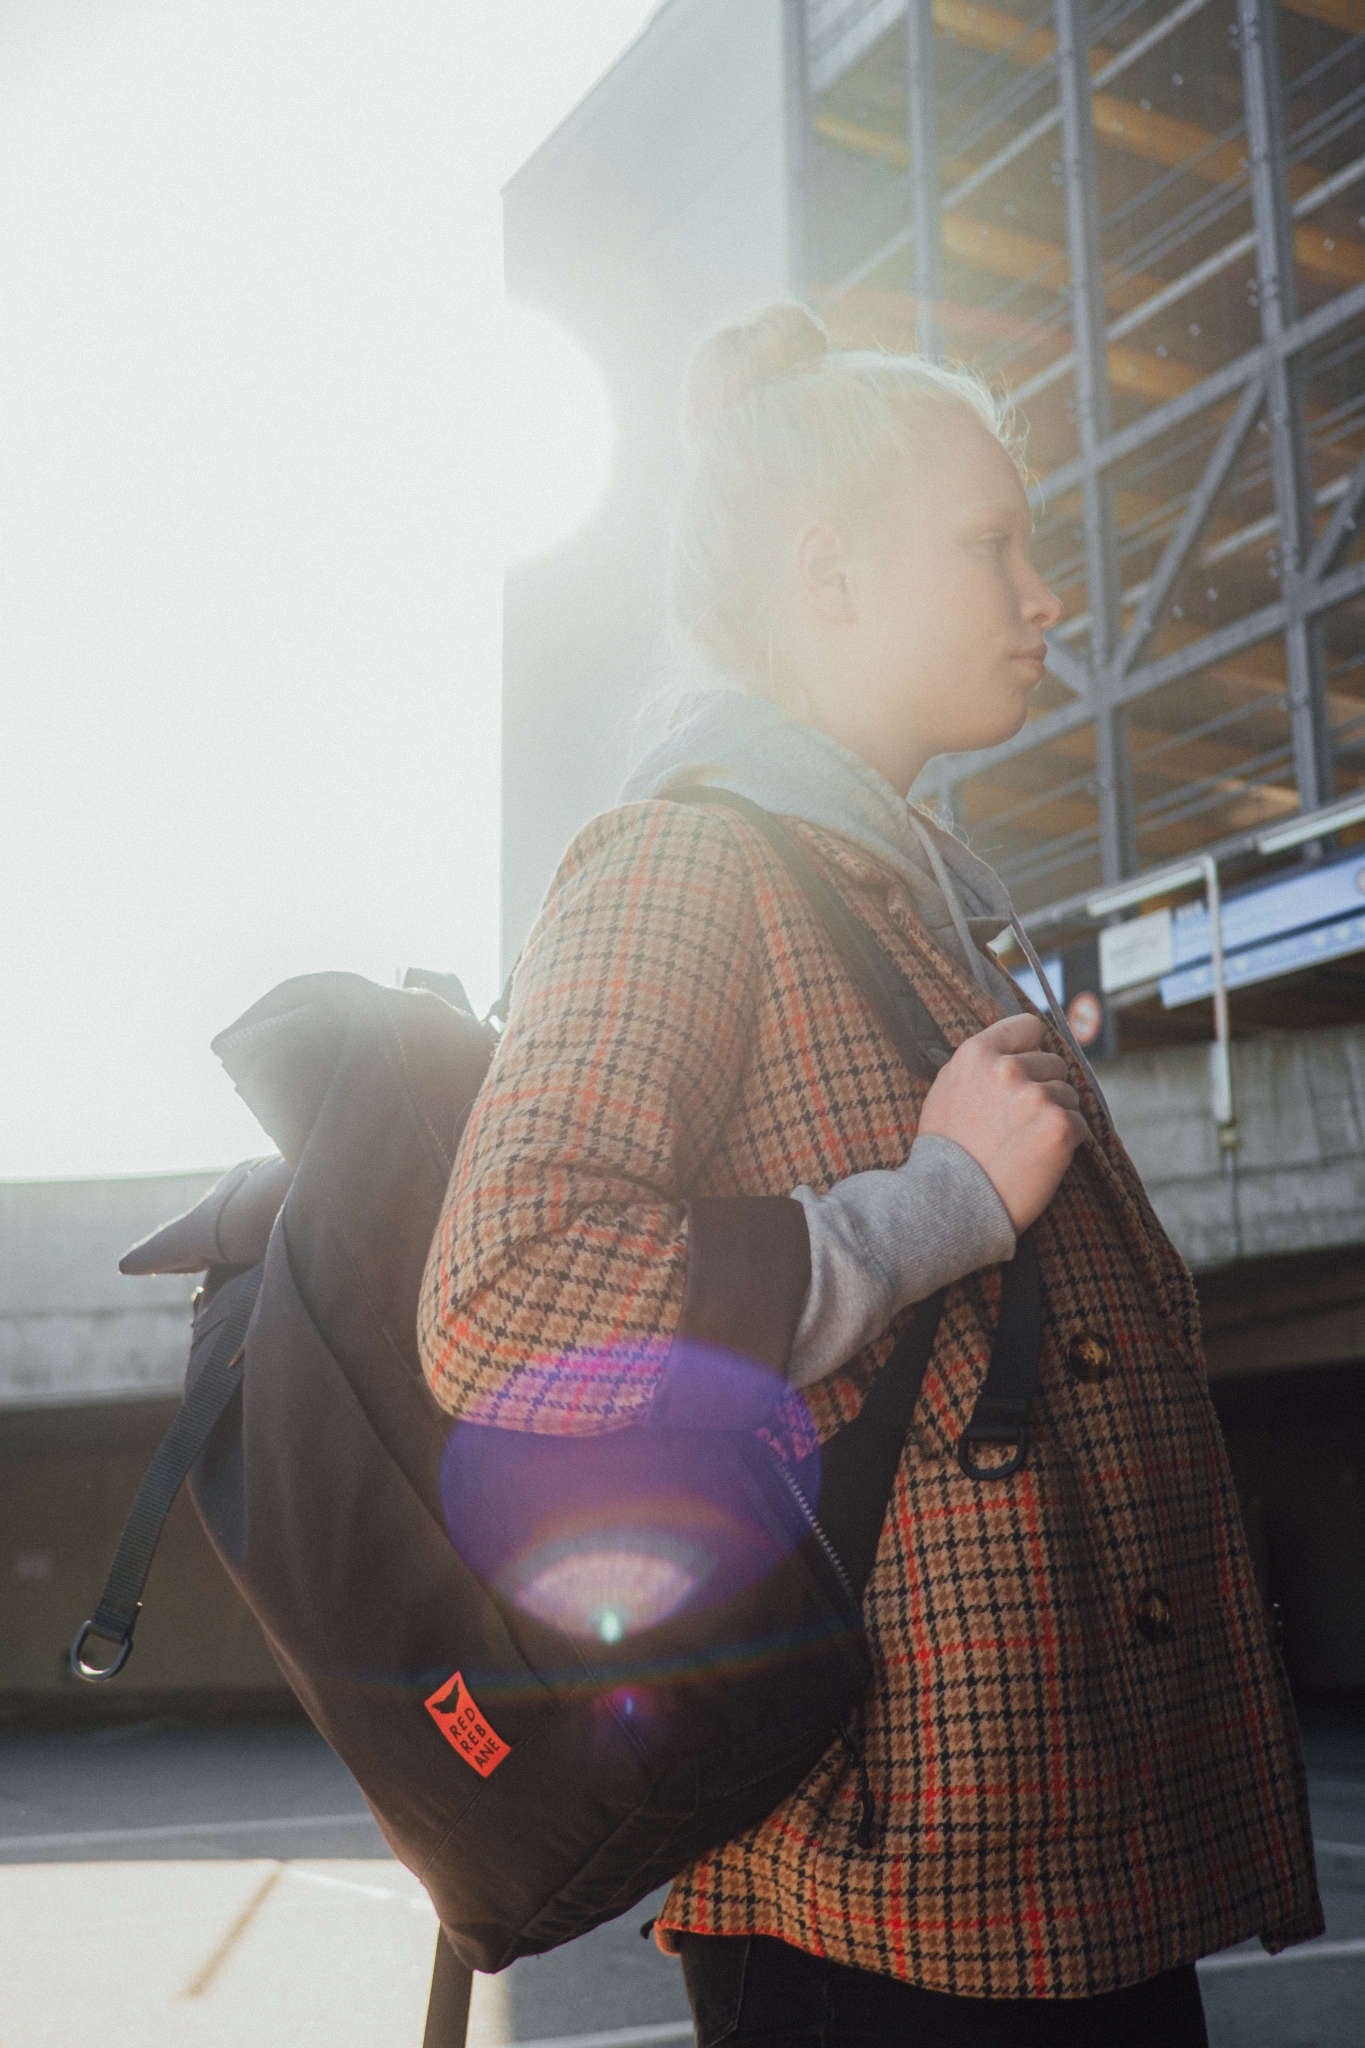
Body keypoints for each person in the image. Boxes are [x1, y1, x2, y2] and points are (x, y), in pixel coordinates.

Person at [418, 303, 1323, 2045]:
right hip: (882, 1904)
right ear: (827, 576)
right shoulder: (684, 859)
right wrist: (935, 1207)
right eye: (992, 545)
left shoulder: (898, 893)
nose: (1046, 596)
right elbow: (507, 1293)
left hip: (1054, 1863)